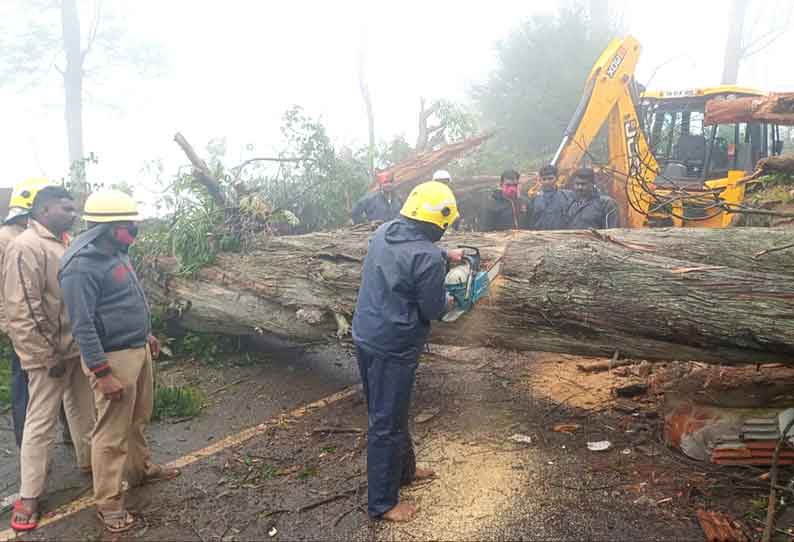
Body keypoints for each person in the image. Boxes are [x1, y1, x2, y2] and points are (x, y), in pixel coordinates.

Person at [59, 190, 180, 533]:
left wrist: (146, 335)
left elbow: (126, 300)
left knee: (138, 418)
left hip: (136, 348)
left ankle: (140, 470)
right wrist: (102, 373)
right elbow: (82, 324)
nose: (133, 229)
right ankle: (109, 503)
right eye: (127, 224)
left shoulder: (116, 251)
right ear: (106, 227)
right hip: (112, 359)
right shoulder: (80, 265)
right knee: (111, 433)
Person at [352, 181, 459, 522]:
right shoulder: (426, 257)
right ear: (435, 221)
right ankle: (382, 503)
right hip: (394, 345)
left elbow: (408, 251)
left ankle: (405, 471)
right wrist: (450, 300)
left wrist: (446, 254)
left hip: (367, 333)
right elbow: (433, 310)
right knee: (386, 421)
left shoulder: (385, 231)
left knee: (391, 411)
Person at [4, 186, 95, 532]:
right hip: (48, 354)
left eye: (74, 208)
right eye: (65, 208)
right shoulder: (25, 246)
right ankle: (29, 495)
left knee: (83, 409)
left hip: (73, 347)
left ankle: (90, 464)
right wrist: (46, 355)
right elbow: (22, 307)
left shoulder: (62, 241)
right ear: (43, 211)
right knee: (40, 421)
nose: (72, 213)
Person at [0, 178, 53, 449]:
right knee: (27, 385)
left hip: (32, 322)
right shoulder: (12, 240)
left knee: (45, 383)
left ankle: (35, 442)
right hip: (24, 324)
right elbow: (8, 291)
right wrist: (10, 326)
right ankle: (26, 444)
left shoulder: (17, 237)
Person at [526, 164, 574, 230]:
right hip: (541, 237)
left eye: (550, 178)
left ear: (556, 178)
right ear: (540, 180)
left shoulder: (567, 196)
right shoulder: (535, 199)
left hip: (561, 236)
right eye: (544, 179)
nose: (547, 182)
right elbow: (531, 221)